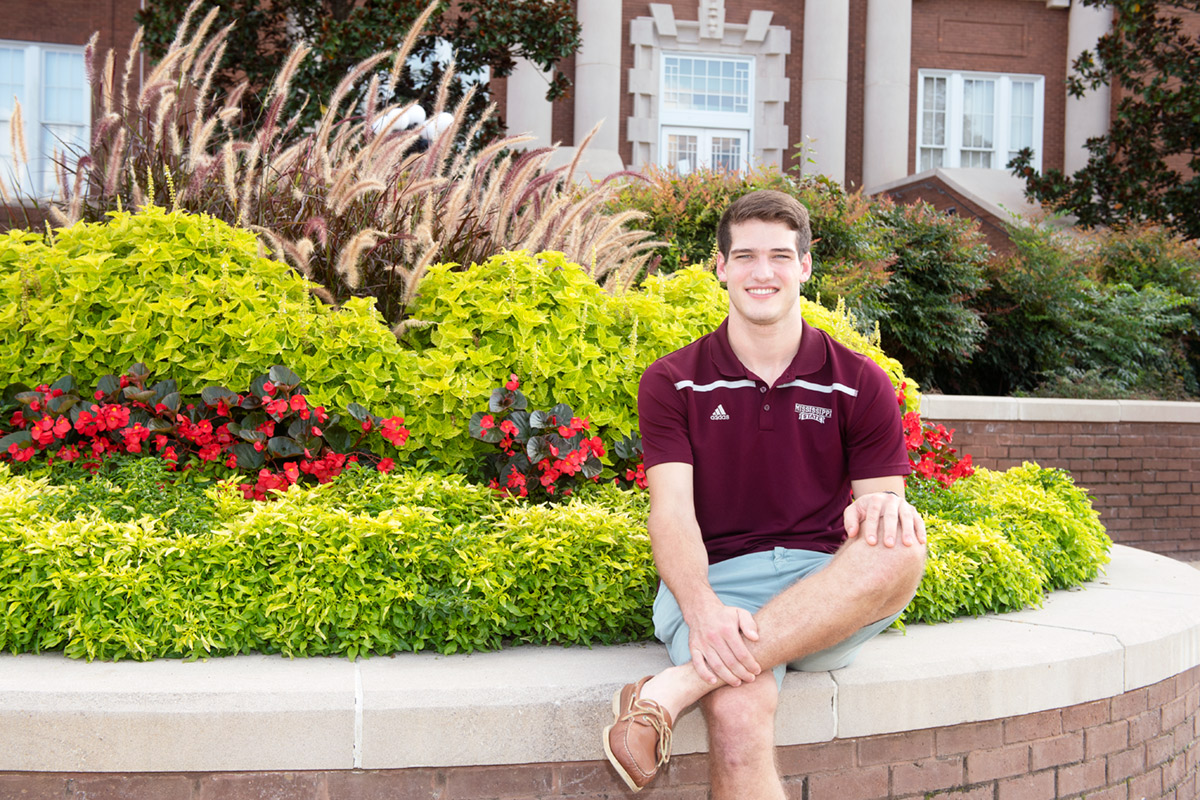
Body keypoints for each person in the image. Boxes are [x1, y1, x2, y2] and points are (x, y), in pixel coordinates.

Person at [602, 190, 927, 797]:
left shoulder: (860, 381)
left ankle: (672, 690)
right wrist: (703, 611)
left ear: (805, 266)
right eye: (746, 256)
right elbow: (671, 514)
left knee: (902, 541)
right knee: (737, 714)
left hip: (824, 589)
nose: (762, 272)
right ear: (720, 267)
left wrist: (884, 505)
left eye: (779, 256)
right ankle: (705, 673)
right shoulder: (673, 381)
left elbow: (879, 509)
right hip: (719, 582)